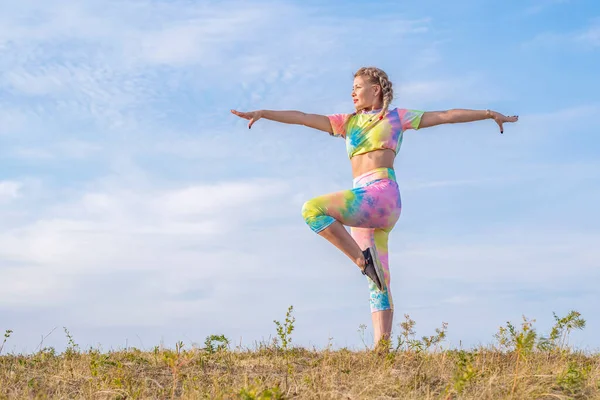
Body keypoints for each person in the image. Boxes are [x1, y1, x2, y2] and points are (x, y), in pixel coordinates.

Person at [230, 66, 518, 349]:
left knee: (312, 209)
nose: (352, 92)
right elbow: (303, 118)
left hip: (382, 194)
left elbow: (444, 116)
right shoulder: (347, 122)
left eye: (357, 87)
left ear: (375, 90)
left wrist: (490, 113)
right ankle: (382, 350)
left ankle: (361, 261)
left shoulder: (396, 118)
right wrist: (264, 113)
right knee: (379, 281)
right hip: (363, 203)